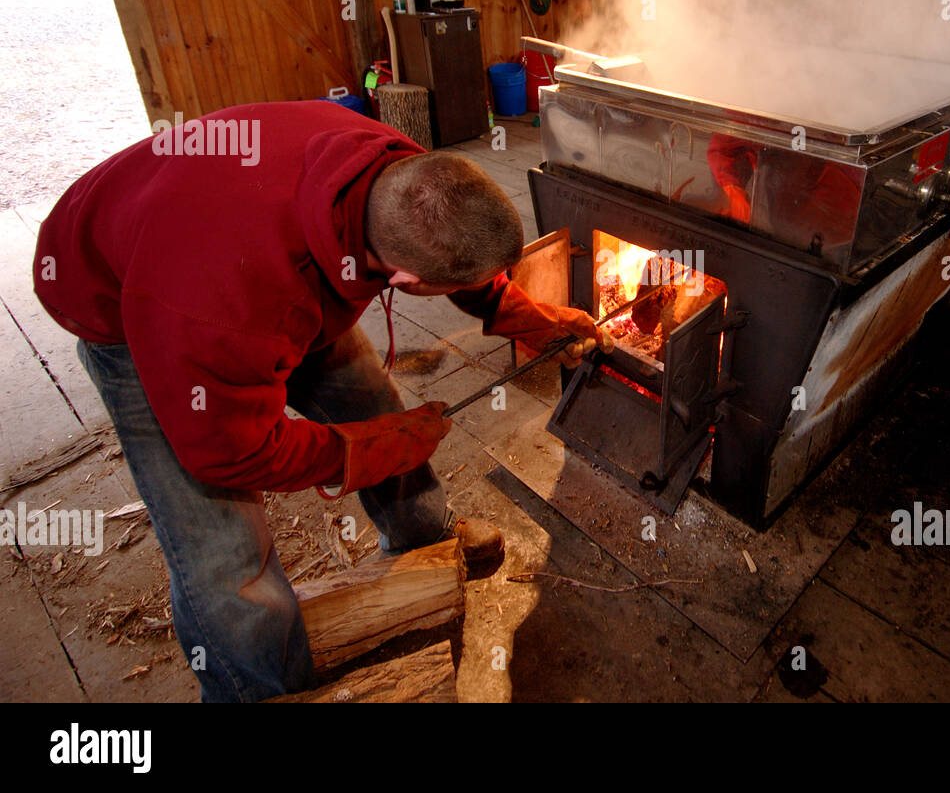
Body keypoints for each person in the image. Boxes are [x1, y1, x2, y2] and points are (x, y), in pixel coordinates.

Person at [32, 100, 609, 701]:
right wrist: (367, 449)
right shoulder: (221, 309)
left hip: (261, 260)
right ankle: (259, 690)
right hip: (131, 302)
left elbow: (454, 253)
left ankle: (426, 544)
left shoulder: (398, 177)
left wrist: (531, 319)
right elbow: (233, 455)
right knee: (224, 552)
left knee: (373, 403)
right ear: (404, 282)